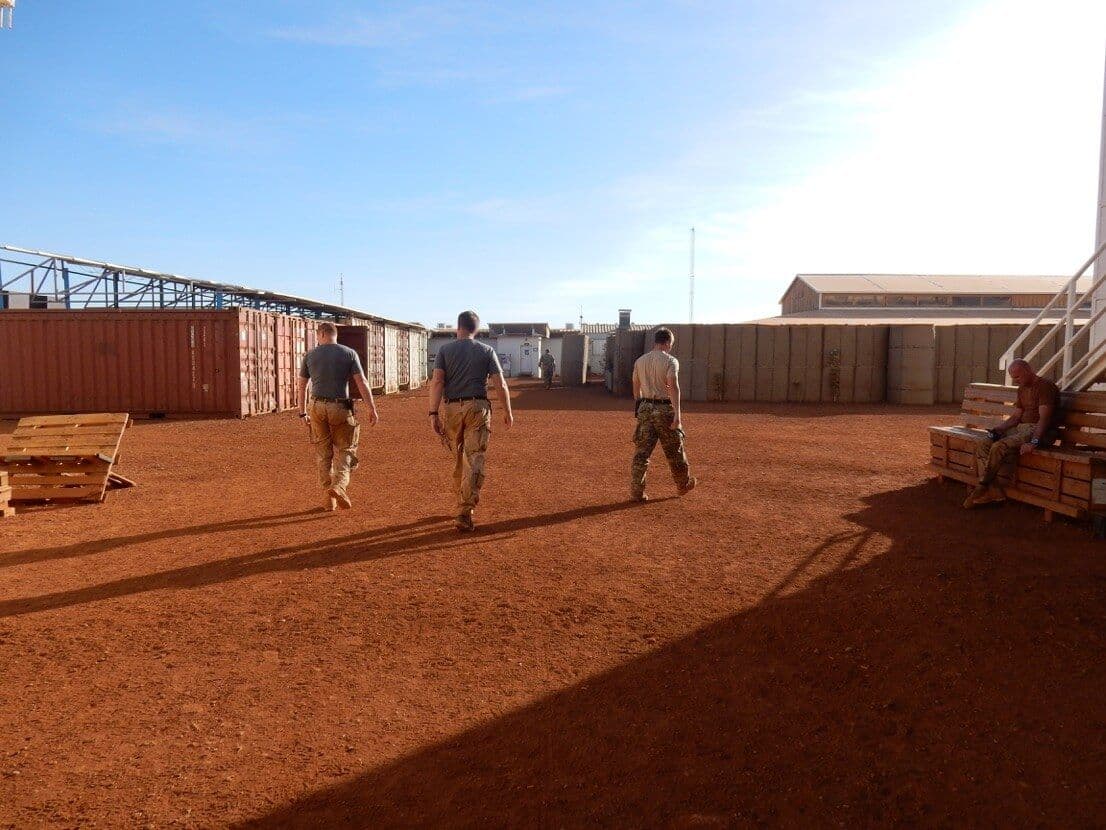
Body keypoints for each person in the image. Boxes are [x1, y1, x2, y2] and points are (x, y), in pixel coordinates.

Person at [428, 310, 514, 531]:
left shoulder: (444, 350)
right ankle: (464, 510)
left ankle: (460, 502)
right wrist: (507, 411)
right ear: (476, 329)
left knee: (458, 457)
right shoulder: (486, 351)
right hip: (477, 407)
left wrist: (433, 413)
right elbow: (500, 383)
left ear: (458, 327)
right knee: (474, 458)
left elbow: (437, 381)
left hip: (452, 409)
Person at [297, 321, 379, 511]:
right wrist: (371, 408)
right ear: (335, 335)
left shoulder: (310, 355)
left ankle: (329, 501)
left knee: (323, 453)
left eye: (318, 336)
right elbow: (362, 382)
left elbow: (302, 386)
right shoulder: (349, 353)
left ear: (322, 334)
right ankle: (339, 486)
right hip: (340, 407)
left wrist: (302, 412)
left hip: (316, 407)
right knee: (346, 449)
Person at [964, 358, 1059, 508]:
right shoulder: (1022, 389)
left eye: (1017, 377)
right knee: (983, 443)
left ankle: (982, 486)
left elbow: (1045, 419)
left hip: (1039, 431)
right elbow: (1016, 417)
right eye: (1013, 378)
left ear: (1028, 371)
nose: (1015, 381)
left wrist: (1033, 442)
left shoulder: (1045, 387)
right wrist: (998, 430)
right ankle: (994, 490)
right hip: (1021, 428)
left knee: (999, 446)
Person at [630, 327, 697, 502]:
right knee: (674, 450)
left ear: (655, 341)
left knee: (641, 454)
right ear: (667, 342)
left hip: (645, 407)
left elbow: (635, 386)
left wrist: (640, 406)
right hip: (664, 409)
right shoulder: (670, 361)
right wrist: (677, 415)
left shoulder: (640, 361)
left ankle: (637, 492)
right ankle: (683, 484)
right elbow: (673, 386)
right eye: (671, 344)